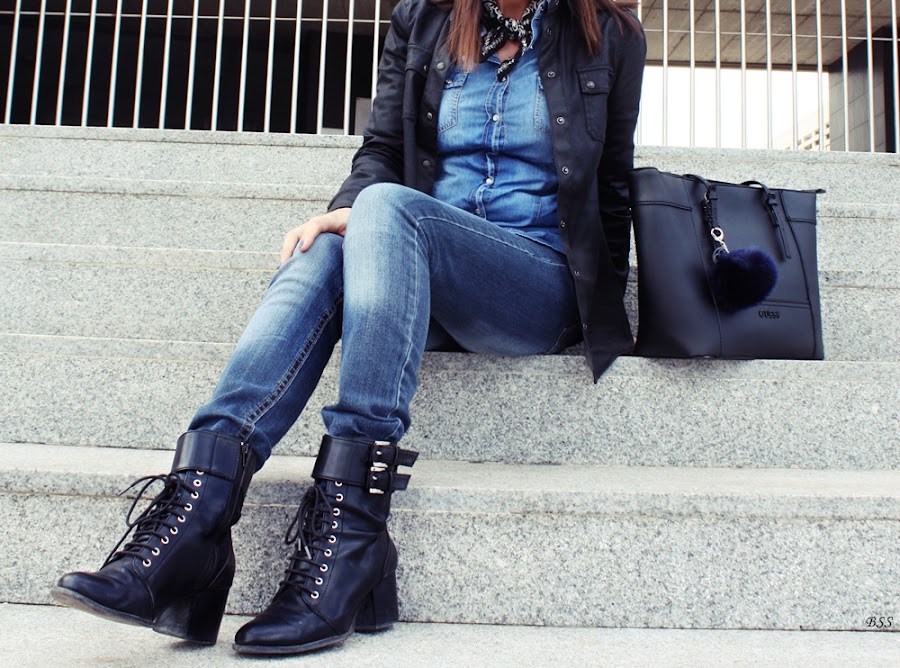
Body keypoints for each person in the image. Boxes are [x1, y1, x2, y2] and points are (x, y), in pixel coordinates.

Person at [51, 0, 645, 657]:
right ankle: (196, 515)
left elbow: (613, 182)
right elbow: (383, 147)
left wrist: (604, 311)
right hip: (416, 263)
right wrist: (344, 213)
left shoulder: (610, 32)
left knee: (382, 209)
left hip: (536, 281)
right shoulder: (426, 19)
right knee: (328, 244)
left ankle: (351, 524)